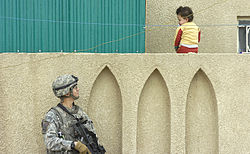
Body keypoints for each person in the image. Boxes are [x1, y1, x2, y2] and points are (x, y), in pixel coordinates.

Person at [41, 74, 105, 154]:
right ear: (67, 93)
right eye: (75, 88)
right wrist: (73, 145)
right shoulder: (53, 116)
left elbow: (92, 135)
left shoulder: (79, 112)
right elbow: (49, 142)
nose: (78, 89)